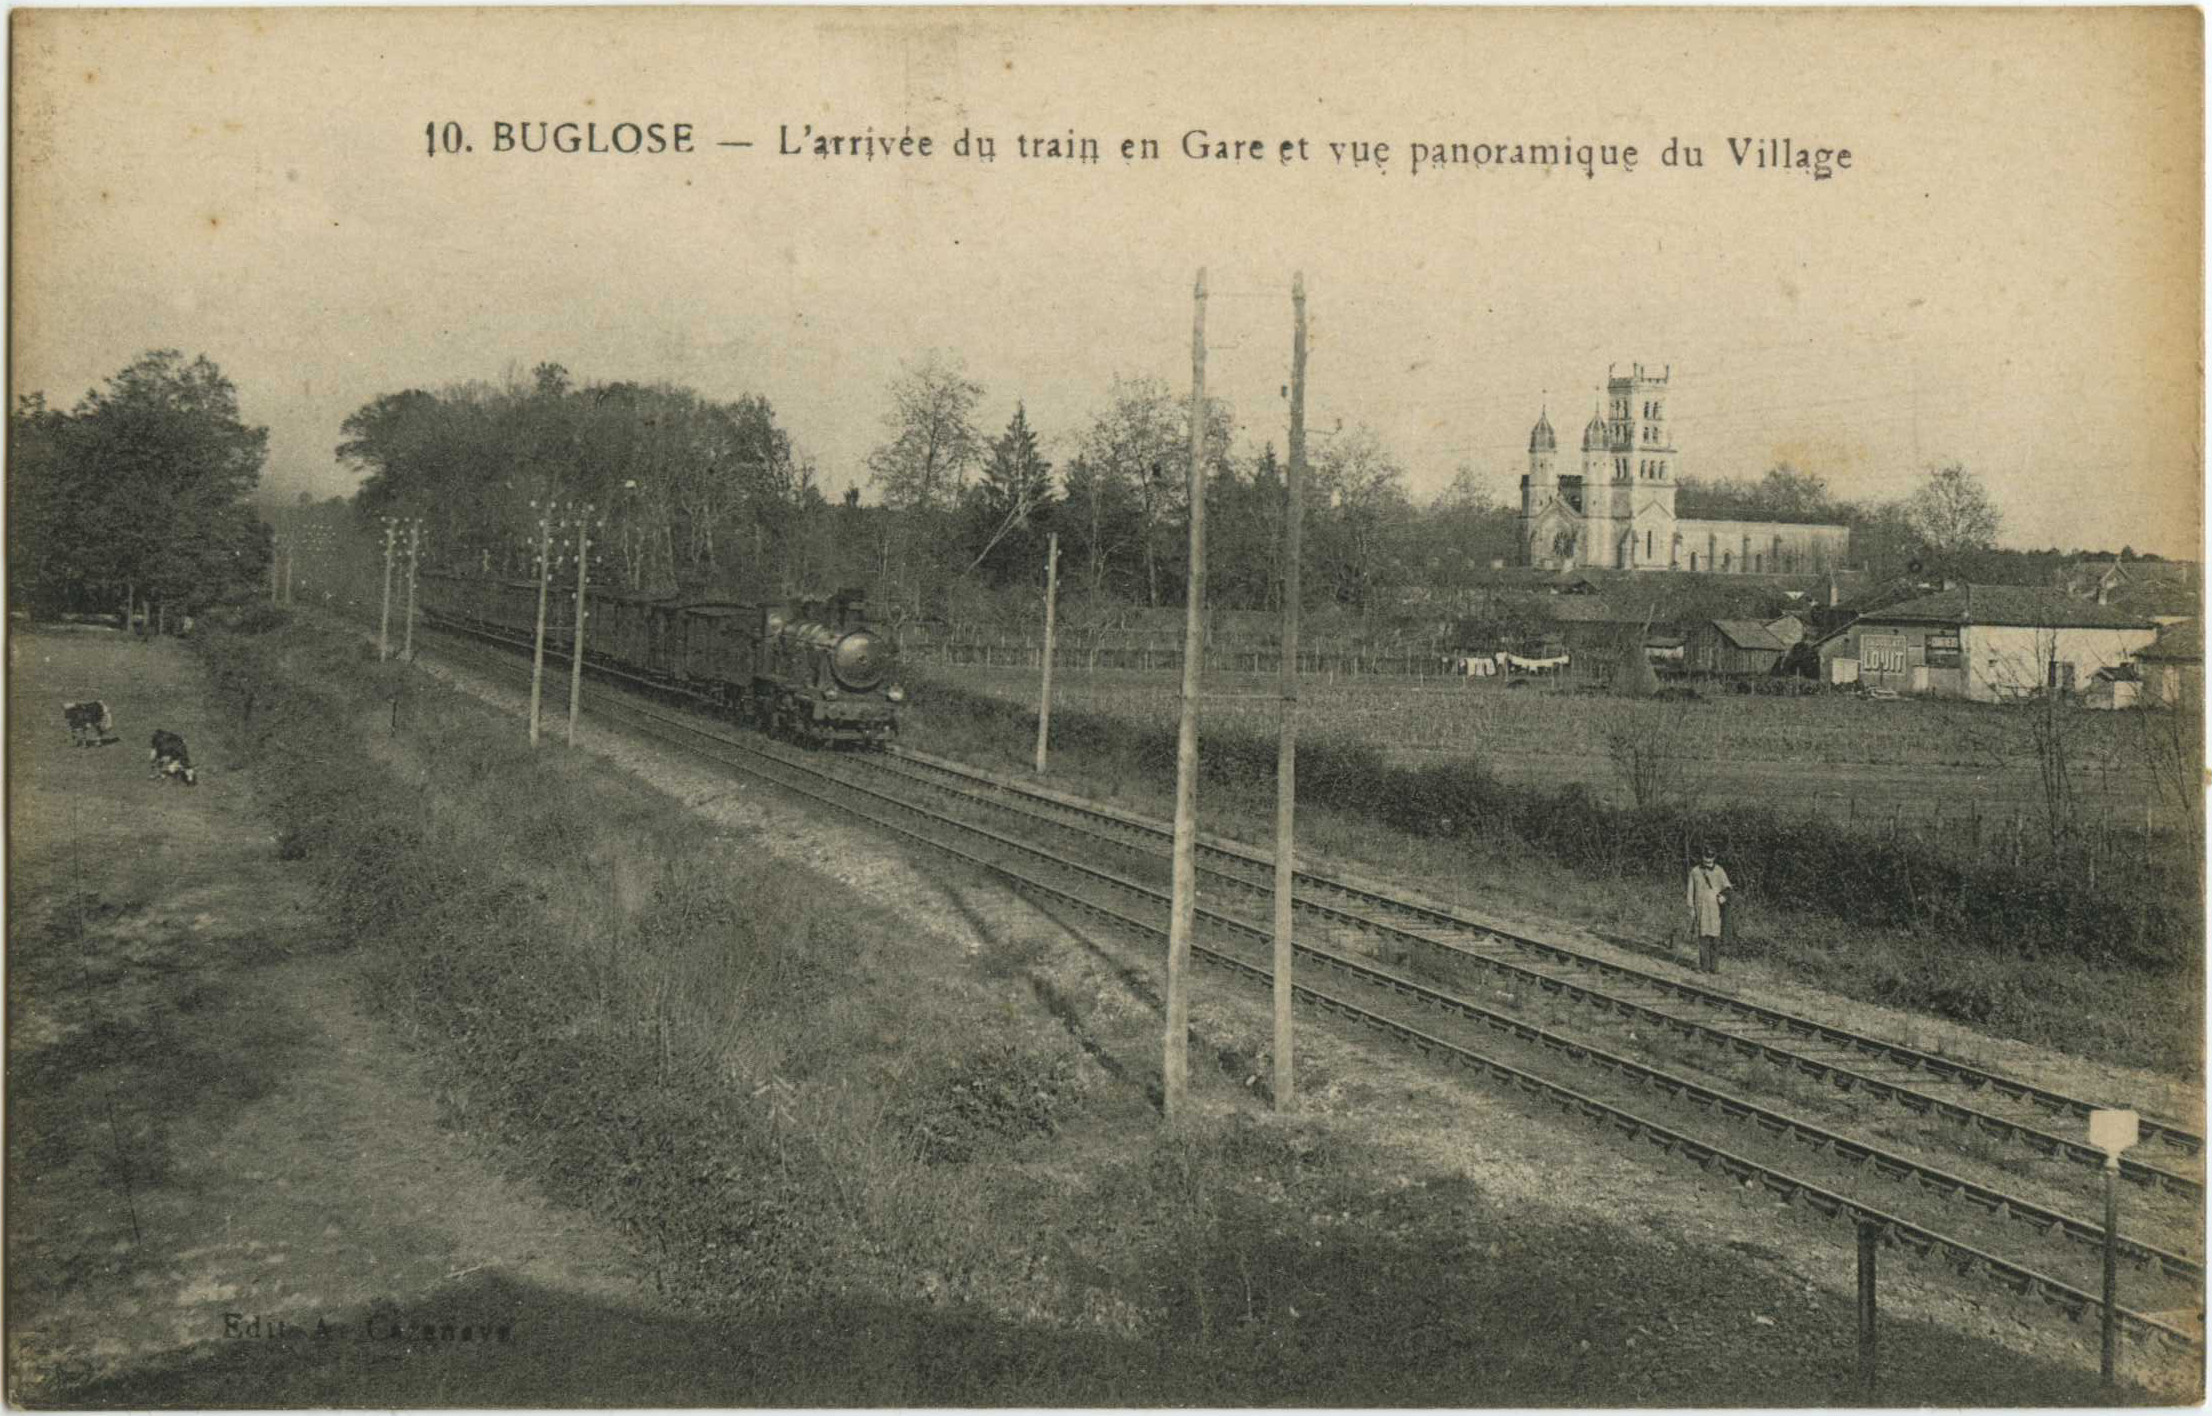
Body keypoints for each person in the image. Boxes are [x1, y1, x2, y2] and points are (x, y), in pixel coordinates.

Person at [1686, 844, 1733, 974]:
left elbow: (1728, 887)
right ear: (1702, 857)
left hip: (1715, 910)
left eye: (1710, 857)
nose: (1708, 860)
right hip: (1701, 909)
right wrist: (1690, 908)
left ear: (1714, 857)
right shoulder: (1695, 871)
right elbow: (1690, 891)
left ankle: (1714, 967)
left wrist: (1724, 896)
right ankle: (1703, 966)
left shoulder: (1719, 870)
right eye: (1706, 857)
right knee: (1703, 938)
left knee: (1715, 939)